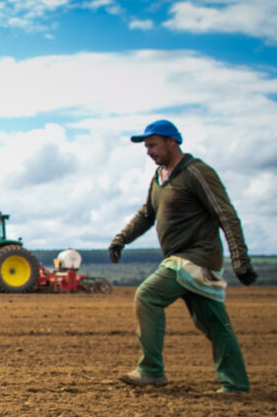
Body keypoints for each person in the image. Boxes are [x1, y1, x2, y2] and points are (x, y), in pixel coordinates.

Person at [108, 119, 257, 393]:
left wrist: (240, 259)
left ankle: (151, 370)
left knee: (148, 295)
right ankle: (235, 384)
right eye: (146, 146)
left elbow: (226, 215)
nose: (148, 151)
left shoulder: (197, 172)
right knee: (216, 324)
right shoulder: (159, 177)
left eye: (152, 145)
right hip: (182, 261)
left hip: (194, 260)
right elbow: (147, 214)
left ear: (171, 142)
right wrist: (121, 239)